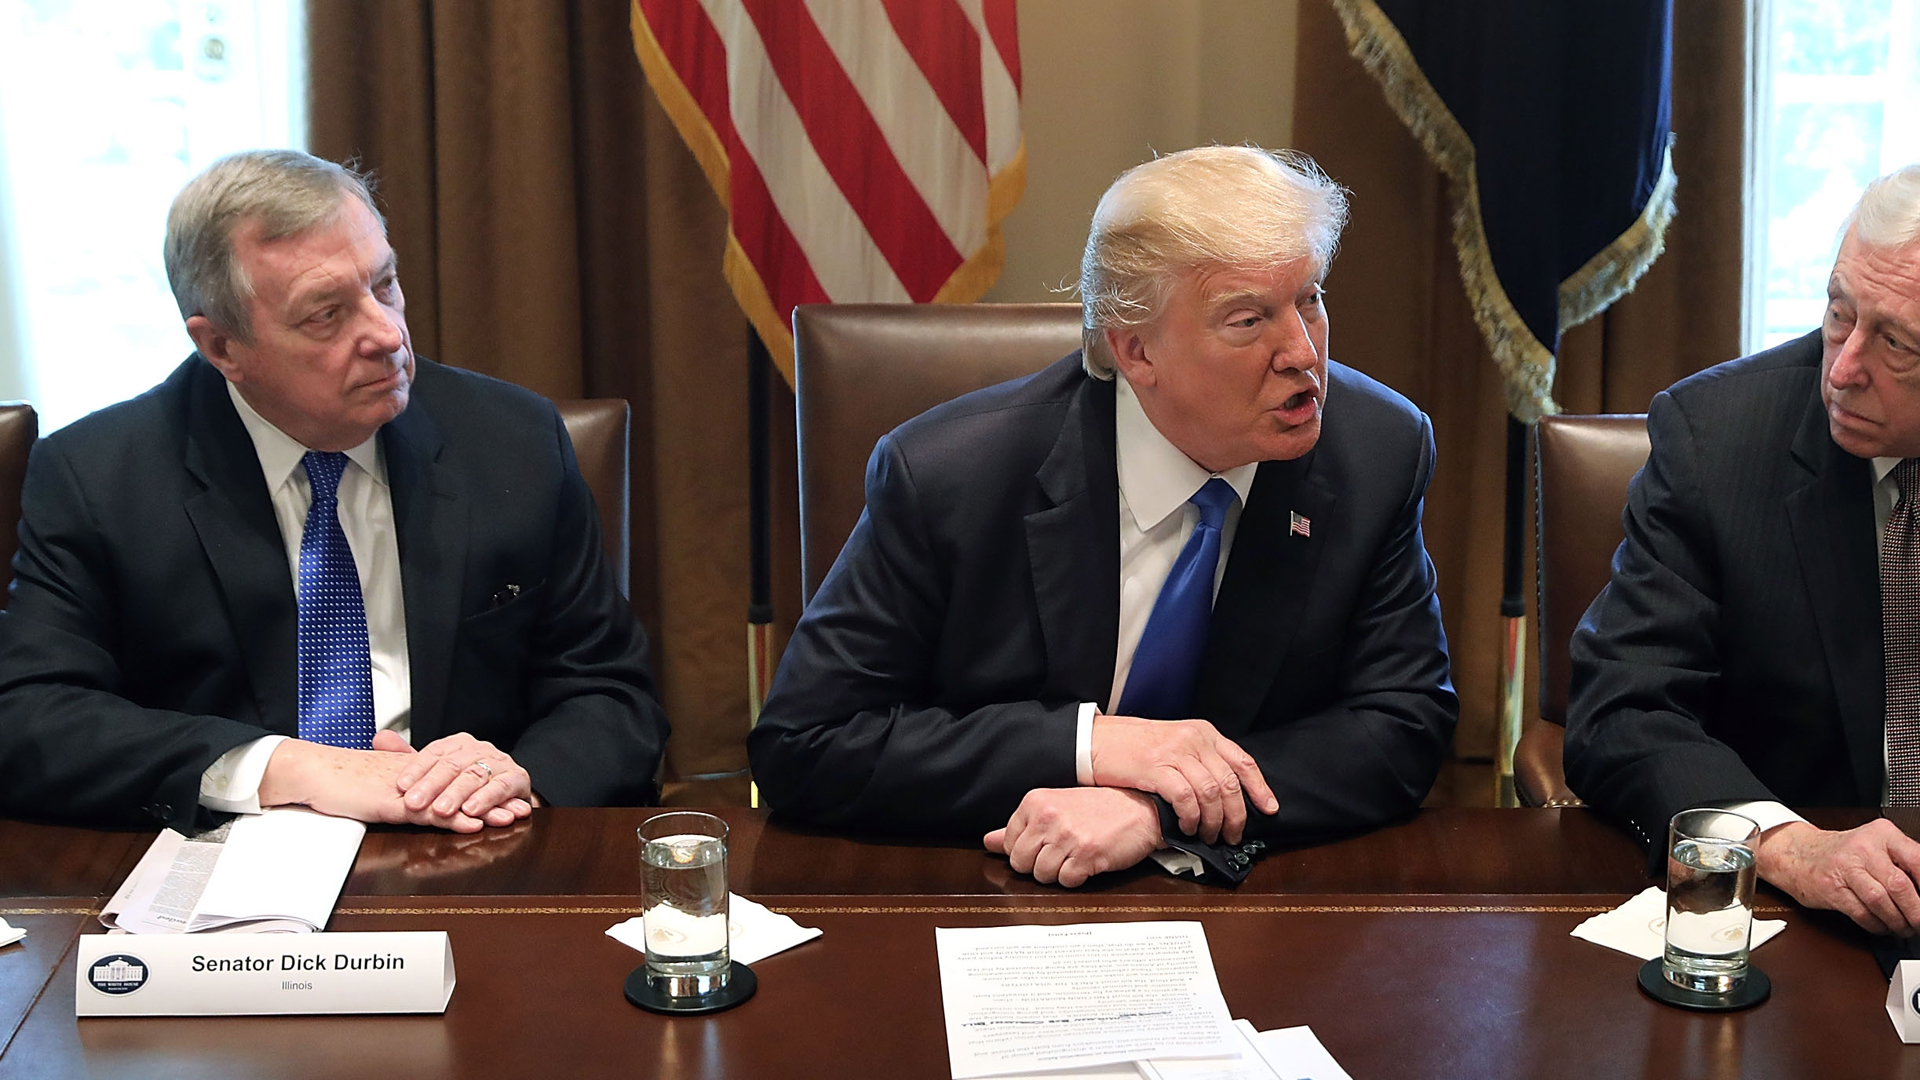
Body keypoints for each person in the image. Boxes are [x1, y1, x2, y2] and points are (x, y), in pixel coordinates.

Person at [748, 146, 1458, 887]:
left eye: (1310, 298)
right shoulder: (951, 477)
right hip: (995, 888)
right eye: (1248, 321)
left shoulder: (1375, 450)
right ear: (1136, 351)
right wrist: (1091, 746)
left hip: (1249, 900)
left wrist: (1160, 807)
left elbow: (1402, 727)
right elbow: (808, 743)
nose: (1304, 353)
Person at [0, 150, 668, 832]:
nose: (385, 333)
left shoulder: (513, 442)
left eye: (384, 285)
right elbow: (27, 720)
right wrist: (284, 767)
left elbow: (612, 695)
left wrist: (514, 778)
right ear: (222, 347)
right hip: (221, 868)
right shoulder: (101, 478)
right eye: (325, 315)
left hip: (470, 846)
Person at [1566, 163, 1920, 936]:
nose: (1844, 368)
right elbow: (1622, 709)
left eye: (1897, 344)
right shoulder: (1716, 440)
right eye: (1840, 311)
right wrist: (1789, 847)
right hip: (1804, 917)